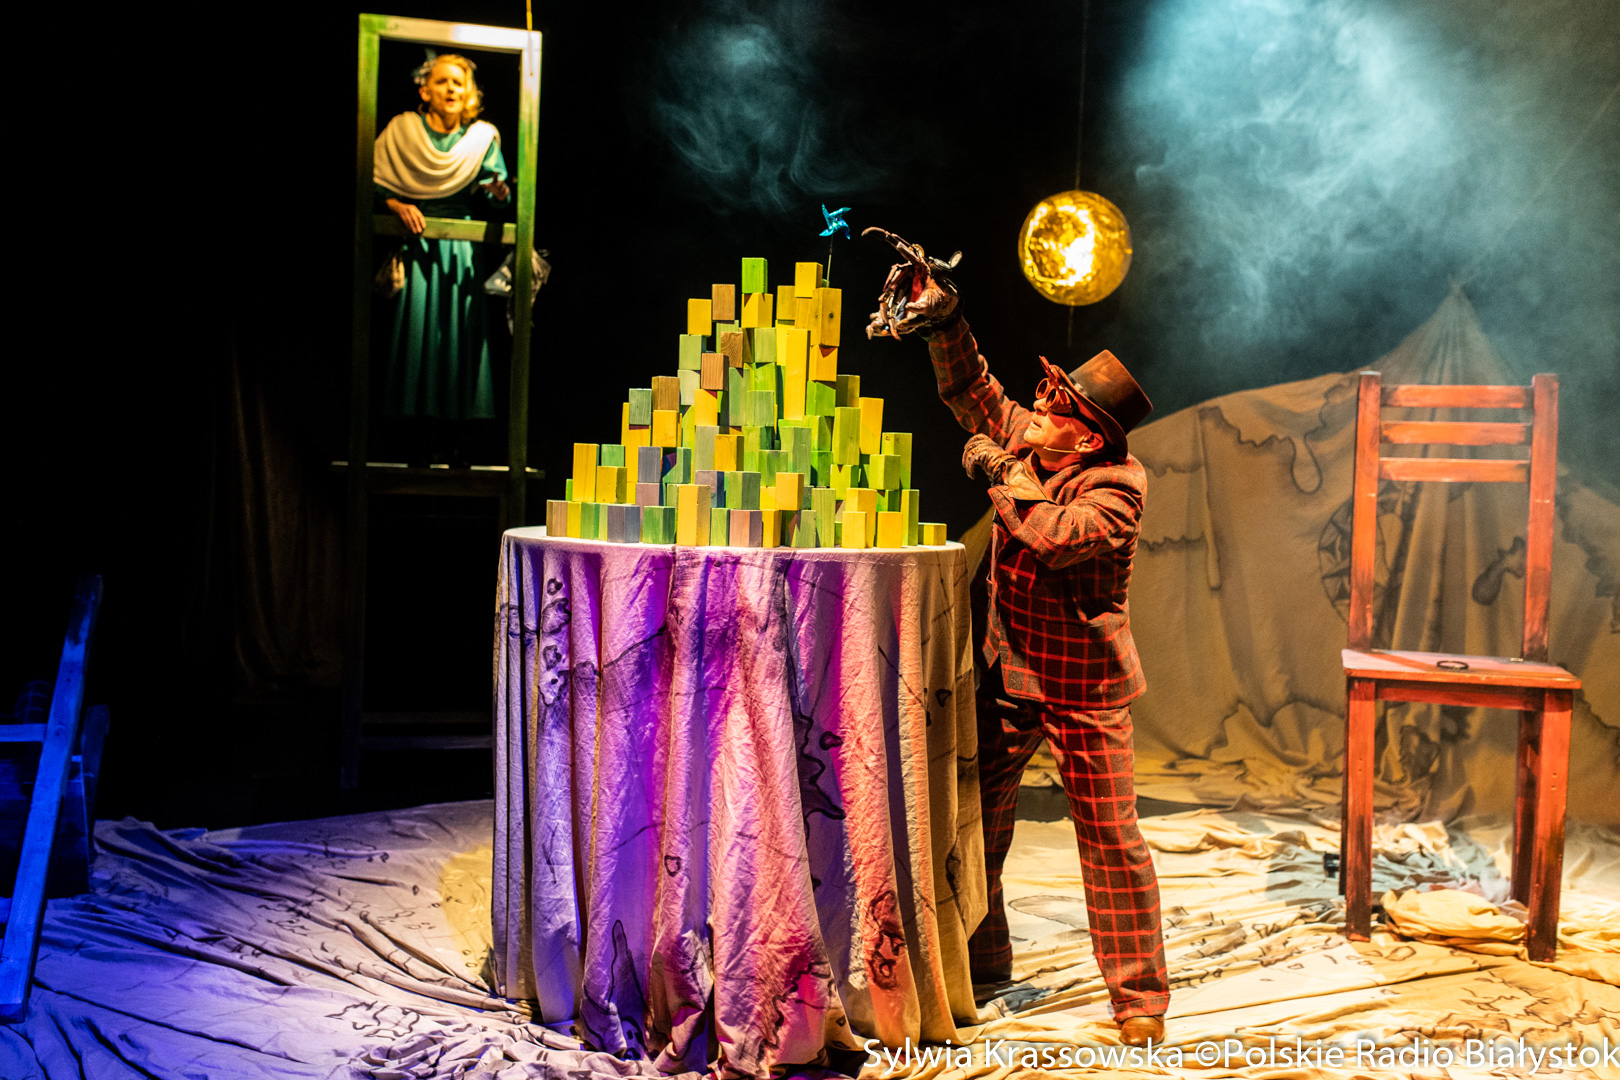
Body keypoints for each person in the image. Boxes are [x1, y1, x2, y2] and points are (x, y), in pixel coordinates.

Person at [864, 230, 1168, 1046]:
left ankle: (1140, 998)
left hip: (1082, 687)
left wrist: (999, 470)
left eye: (1057, 406)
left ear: (1089, 436)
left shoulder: (1118, 486)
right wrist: (945, 320)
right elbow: (975, 392)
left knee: (1111, 838)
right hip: (1008, 672)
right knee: (977, 821)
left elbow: (1054, 535)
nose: (1039, 410)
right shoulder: (1036, 437)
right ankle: (981, 956)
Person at [374, 52, 511, 466]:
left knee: (459, 338)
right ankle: (417, 443)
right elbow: (373, 179)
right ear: (424, 90)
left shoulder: (480, 138)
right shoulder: (402, 130)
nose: (451, 88)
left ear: (468, 92)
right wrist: (398, 205)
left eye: (458, 82)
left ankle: (458, 444)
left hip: (460, 247)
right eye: (442, 81)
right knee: (417, 335)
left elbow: (497, 190)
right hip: (419, 243)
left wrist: (498, 192)